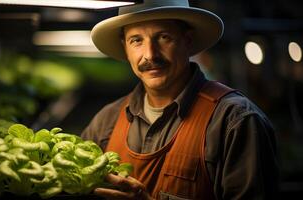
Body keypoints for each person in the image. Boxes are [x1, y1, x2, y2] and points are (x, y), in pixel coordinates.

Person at [81, 0, 280, 199]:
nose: (150, 54)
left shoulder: (234, 121)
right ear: (125, 47)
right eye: (136, 40)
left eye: (163, 37)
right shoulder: (106, 121)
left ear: (188, 40)